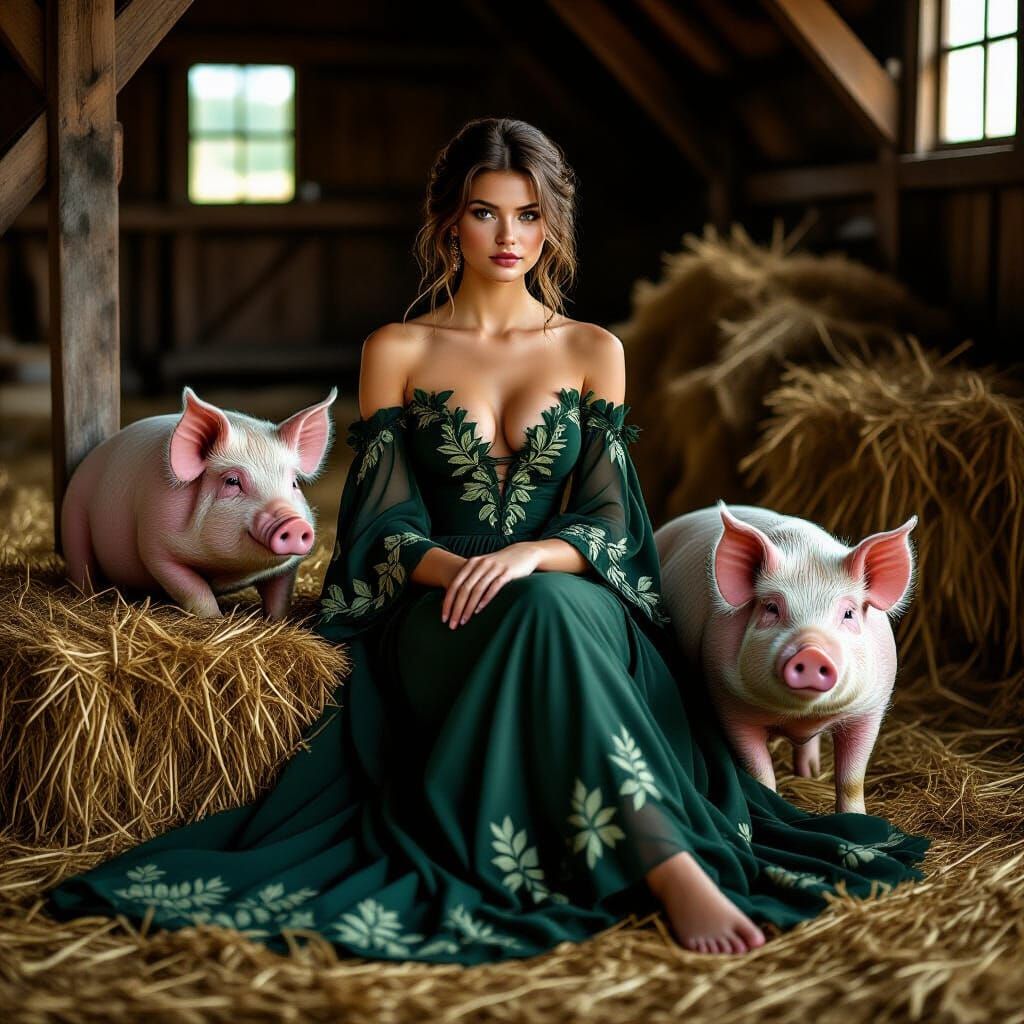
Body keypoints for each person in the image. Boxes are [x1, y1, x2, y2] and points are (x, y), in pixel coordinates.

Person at [44, 117, 929, 963]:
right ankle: (667, 863)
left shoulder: (593, 348)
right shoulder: (396, 348)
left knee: (545, 603)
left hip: (576, 593)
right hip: (438, 608)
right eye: (485, 212)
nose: (509, 236)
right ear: (447, 221)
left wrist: (528, 556)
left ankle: (664, 858)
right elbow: (375, 529)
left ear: (554, 224)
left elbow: (616, 524)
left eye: (530, 214)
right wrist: (458, 566)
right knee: (529, 610)